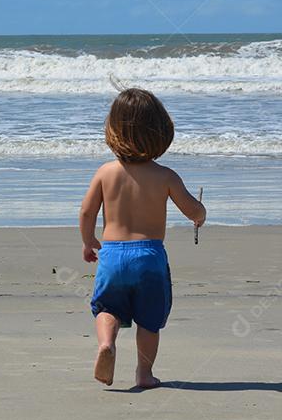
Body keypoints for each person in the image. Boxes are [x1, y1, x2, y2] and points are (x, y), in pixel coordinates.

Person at [79, 86, 206, 388]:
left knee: (108, 308)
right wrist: (200, 215)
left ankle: (106, 344)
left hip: (111, 255)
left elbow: (86, 212)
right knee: (149, 320)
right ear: (160, 131)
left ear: (112, 130)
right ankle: (144, 374)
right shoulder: (165, 176)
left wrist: (88, 241)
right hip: (149, 257)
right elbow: (192, 209)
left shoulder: (105, 173)